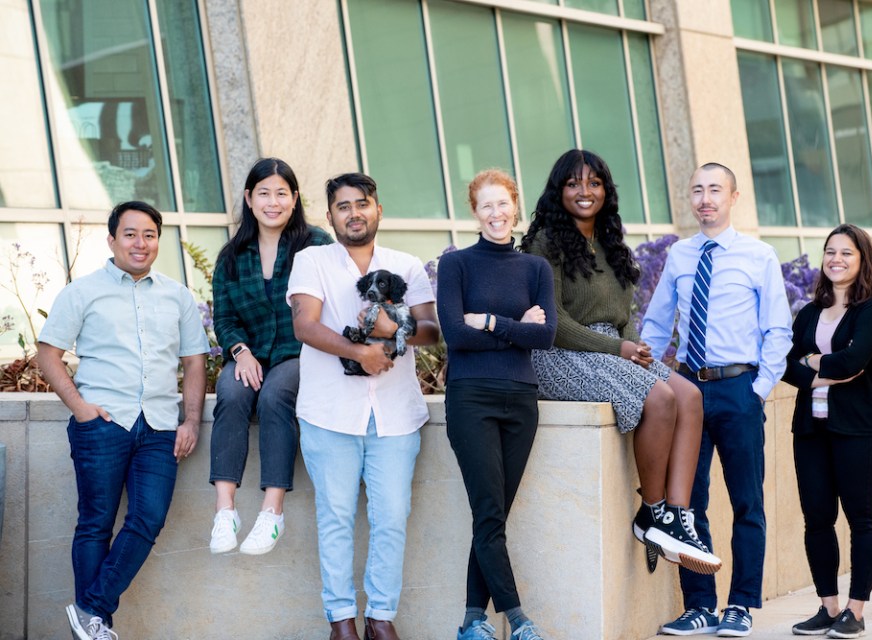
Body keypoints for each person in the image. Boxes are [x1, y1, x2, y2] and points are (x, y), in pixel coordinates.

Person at [519, 149, 722, 576]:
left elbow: (623, 316)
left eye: (593, 183)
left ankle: (677, 517)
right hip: (558, 355)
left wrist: (636, 347)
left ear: (605, 191)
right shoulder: (545, 244)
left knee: (689, 395)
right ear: (559, 191)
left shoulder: (610, 242)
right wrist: (620, 351)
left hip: (612, 347)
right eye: (573, 183)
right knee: (661, 399)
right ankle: (652, 512)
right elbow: (554, 324)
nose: (584, 191)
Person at [37, 201, 209, 640]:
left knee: (149, 517)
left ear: (158, 240)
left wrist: (190, 421)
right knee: (95, 522)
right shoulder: (82, 291)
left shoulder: (177, 296)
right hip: (102, 423)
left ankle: (90, 608)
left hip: (159, 427)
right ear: (111, 239)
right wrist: (81, 408)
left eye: (149, 234)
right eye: (130, 234)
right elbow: (48, 354)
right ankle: (96, 628)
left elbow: (194, 363)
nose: (140, 242)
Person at [641, 163, 793, 637]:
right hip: (687, 390)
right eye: (697, 191)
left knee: (747, 502)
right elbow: (655, 324)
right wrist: (653, 377)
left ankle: (741, 605)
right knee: (688, 505)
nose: (705, 199)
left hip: (738, 389)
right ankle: (700, 606)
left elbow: (778, 329)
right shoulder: (680, 256)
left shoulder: (758, 255)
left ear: (733, 196)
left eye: (714, 190)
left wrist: (757, 391)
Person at [287, 172, 440, 640]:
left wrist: (391, 333)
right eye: (343, 206)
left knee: (391, 517)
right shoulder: (311, 260)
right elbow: (305, 326)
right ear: (330, 215)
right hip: (329, 413)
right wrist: (360, 352)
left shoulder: (406, 265)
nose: (354, 212)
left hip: (395, 415)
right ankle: (341, 622)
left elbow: (431, 329)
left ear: (377, 209)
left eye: (362, 204)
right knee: (334, 518)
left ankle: (380, 618)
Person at [437, 169, 558, 640]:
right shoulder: (456, 264)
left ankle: (472, 620)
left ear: (515, 206)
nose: (496, 214)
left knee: (494, 517)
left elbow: (544, 336)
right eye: (485, 206)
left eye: (502, 204)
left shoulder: (535, 269)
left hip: (522, 402)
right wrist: (515, 327)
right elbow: (455, 336)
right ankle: (520, 620)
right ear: (474, 213)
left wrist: (489, 320)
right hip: (472, 400)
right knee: (489, 513)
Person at [207, 157, 333, 555]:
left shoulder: (316, 245)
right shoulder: (232, 255)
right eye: (264, 193)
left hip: (302, 353)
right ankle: (225, 510)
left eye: (282, 193)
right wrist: (240, 352)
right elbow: (224, 318)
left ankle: (272, 511)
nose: (272, 202)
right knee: (231, 391)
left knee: (276, 394)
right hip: (251, 354)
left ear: (294, 199)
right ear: (249, 198)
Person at [782, 224, 872, 639]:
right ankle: (828, 607)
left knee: (861, 517)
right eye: (831, 252)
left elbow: (854, 363)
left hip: (862, 427)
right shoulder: (810, 312)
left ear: (862, 259)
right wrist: (816, 370)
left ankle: (856, 610)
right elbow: (786, 366)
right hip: (811, 428)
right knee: (817, 518)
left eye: (846, 253)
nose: (837, 260)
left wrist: (812, 363)